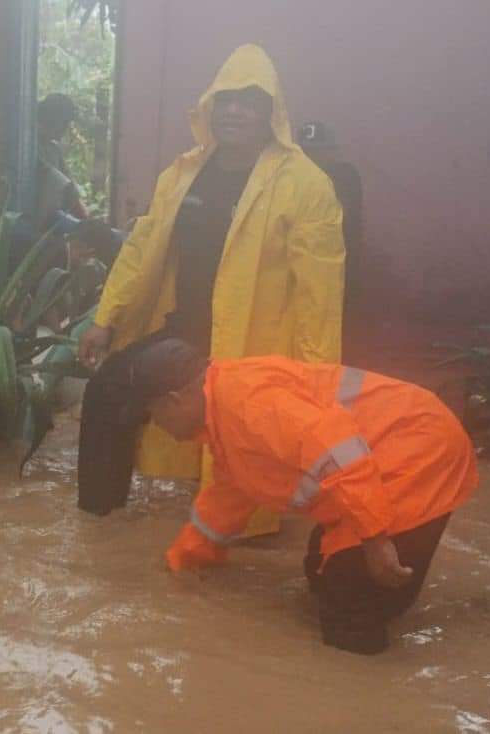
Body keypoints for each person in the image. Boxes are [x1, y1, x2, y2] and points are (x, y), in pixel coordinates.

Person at [77, 45, 346, 525]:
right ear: (210, 106)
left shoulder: (306, 185)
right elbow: (141, 247)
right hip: (187, 337)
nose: (235, 110)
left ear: (271, 112)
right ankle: (99, 522)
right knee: (109, 390)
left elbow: (319, 295)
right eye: (226, 99)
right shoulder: (184, 174)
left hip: (255, 355)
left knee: (246, 467)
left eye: (249, 100)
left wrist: (315, 381)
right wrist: (105, 318)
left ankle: (229, 534)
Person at [126, 338, 479, 654]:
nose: (158, 427)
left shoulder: (245, 401)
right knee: (318, 571)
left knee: (349, 607)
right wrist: (180, 563)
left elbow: (338, 451)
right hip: (396, 452)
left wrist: (375, 539)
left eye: (154, 416)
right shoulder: (225, 418)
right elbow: (226, 502)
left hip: (418, 452)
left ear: (173, 401)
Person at [298, 121, 364, 352]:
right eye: (307, 152)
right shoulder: (289, 178)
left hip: (342, 263)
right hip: (302, 264)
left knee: (342, 330)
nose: (313, 157)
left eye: (319, 150)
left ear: (332, 151)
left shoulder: (345, 175)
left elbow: (344, 217)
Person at [36, 93, 88, 227]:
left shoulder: (53, 150)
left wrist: (87, 223)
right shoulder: (32, 148)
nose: (65, 129)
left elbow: (71, 191)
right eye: (64, 122)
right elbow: (67, 190)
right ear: (51, 119)